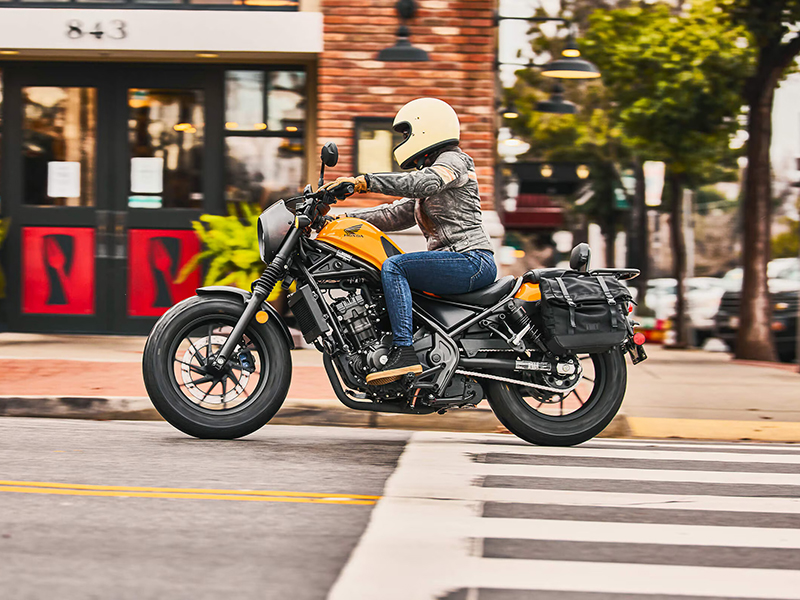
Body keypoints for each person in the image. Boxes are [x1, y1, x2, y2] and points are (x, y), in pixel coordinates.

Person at [323, 98, 496, 385]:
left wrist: (364, 181)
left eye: (407, 134)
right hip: (457, 259)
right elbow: (393, 215)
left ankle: (404, 353)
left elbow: (425, 182)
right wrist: (337, 221)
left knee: (395, 267)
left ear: (425, 129)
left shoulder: (453, 161)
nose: (404, 140)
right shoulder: (430, 180)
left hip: (471, 259)